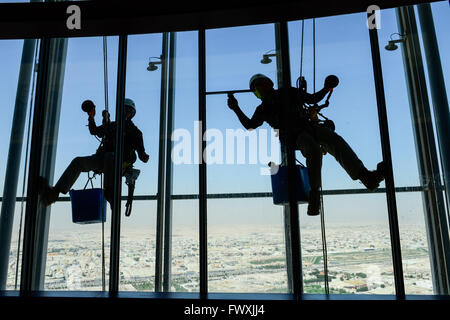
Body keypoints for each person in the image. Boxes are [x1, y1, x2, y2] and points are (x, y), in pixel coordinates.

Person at [227, 74, 385, 216]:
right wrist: (327, 87)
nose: (261, 91)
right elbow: (313, 99)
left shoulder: (277, 100)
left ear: (270, 84)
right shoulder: (270, 104)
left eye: (262, 87)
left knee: (334, 140)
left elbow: (313, 99)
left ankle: (365, 177)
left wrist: (236, 108)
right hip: (296, 135)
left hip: (305, 129)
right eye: (258, 90)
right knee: (315, 149)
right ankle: (315, 194)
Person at [39, 98, 150, 208]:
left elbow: (141, 154)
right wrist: (91, 117)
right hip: (103, 159)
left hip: (120, 163)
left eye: (126, 110)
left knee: (110, 156)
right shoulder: (112, 126)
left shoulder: (135, 132)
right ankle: (54, 193)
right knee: (78, 162)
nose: (124, 112)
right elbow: (95, 131)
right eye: (122, 109)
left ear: (131, 114)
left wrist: (143, 156)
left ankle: (110, 192)